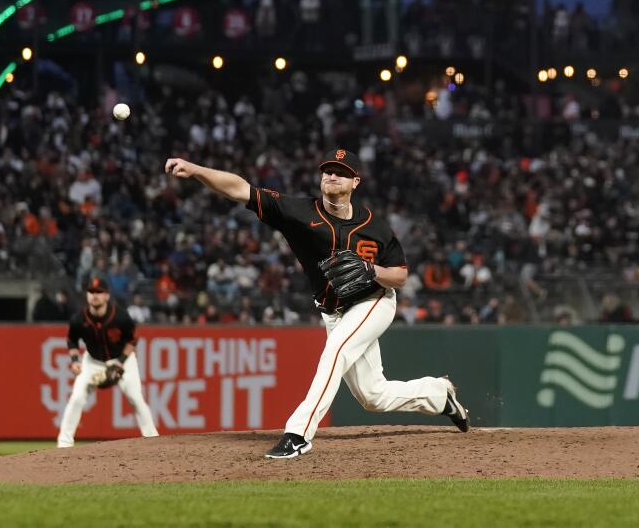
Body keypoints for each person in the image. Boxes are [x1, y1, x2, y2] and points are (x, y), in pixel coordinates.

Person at [164, 148, 469, 460]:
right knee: (373, 396)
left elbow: (400, 276)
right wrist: (196, 169)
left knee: (335, 351)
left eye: (340, 172)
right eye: (327, 170)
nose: (331, 175)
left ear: (355, 182)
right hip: (334, 311)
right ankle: (438, 395)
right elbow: (241, 189)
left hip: (373, 302)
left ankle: (298, 433)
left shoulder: (374, 226)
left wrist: (371, 270)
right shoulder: (298, 211)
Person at [55, 276, 158, 447]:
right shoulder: (79, 319)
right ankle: (64, 444)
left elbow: (133, 340)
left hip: (122, 360)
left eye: (99, 292)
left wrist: (120, 362)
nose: (94, 295)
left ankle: (153, 440)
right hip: (93, 361)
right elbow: (71, 340)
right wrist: (74, 360)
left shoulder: (120, 316)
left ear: (107, 296)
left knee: (135, 398)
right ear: (87, 295)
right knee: (77, 397)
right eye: (91, 292)